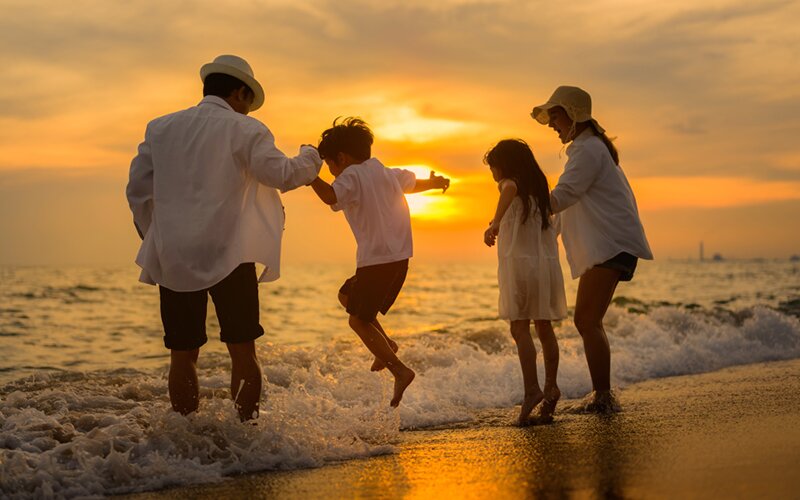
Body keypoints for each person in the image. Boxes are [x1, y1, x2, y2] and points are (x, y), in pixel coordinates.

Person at [126, 54, 322, 421]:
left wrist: (155, 234)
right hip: (231, 251)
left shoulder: (160, 128)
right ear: (238, 92)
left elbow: (137, 190)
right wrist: (311, 156)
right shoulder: (247, 129)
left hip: (175, 254)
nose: (247, 111)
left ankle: (185, 436)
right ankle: (247, 434)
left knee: (182, 353)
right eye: (248, 102)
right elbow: (281, 175)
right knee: (243, 350)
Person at [308, 117, 450, 407]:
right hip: (398, 259)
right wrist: (434, 183)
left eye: (329, 165)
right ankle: (386, 346)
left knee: (357, 319)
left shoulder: (351, 176)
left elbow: (330, 196)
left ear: (342, 158)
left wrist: (309, 176)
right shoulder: (383, 171)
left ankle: (399, 369)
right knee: (347, 295)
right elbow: (411, 183)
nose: (331, 172)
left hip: (377, 261)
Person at [530, 86, 653, 411]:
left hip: (611, 244)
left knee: (586, 320)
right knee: (588, 320)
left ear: (572, 115)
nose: (552, 124)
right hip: (614, 244)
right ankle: (602, 396)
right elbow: (566, 205)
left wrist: (522, 201)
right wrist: (544, 233)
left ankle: (603, 398)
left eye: (555, 116)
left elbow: (562, 197)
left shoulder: (587, 151)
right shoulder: (590, 149)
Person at [483, 139, 567, 425]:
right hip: (544, 267)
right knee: (544, 326)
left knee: (519, 327)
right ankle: (551, 387)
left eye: (492, 166)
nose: (492, 173)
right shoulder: (539, 191)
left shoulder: (509, 183)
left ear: (503, 164)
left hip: (519, 267)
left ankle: (532, 389)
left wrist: (494, 223)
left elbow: (507, 188)